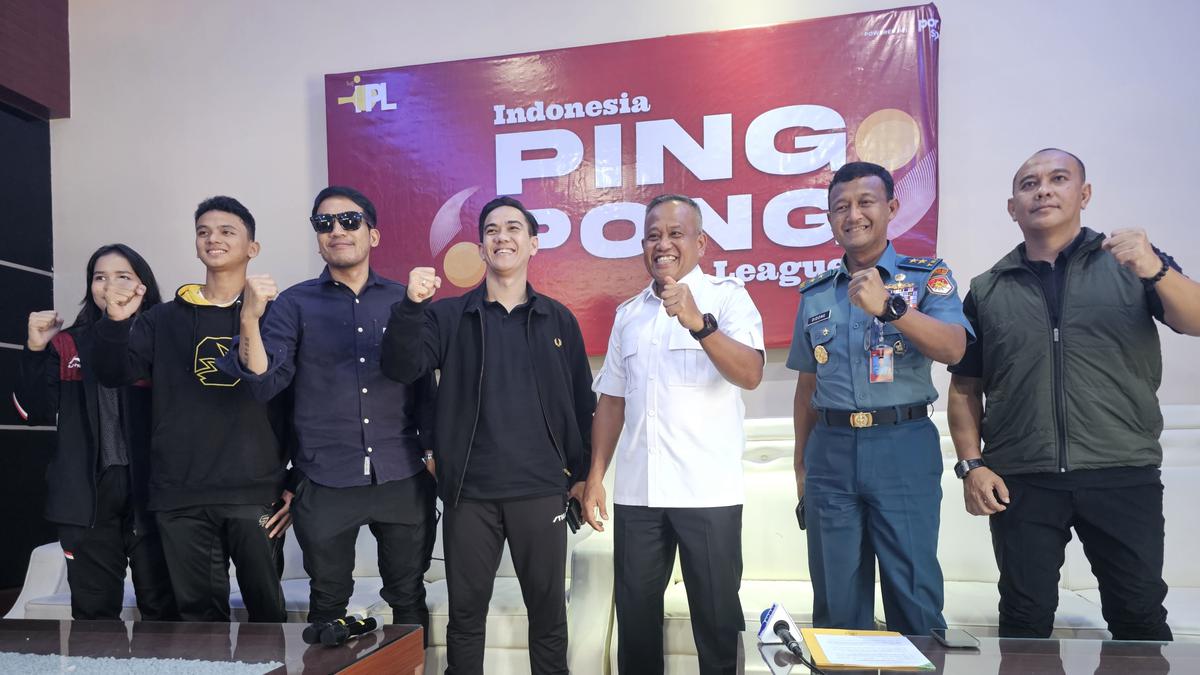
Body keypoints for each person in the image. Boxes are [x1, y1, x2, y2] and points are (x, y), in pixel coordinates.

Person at [947, 148, 1200, 640]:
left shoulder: (1132, 264)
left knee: (1139, 615)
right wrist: (971, 466)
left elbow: (1194, 320)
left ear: (1084, 194)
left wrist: (1155, 268)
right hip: (1022, 477)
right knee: (1023, 620)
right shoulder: (988, 288)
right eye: (1029, 184)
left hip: (1121, 468)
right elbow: (965, 387)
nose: (1043, 190)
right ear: (1012, 208)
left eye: (1058, 179)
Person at [381, 196, 594, 675]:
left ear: (533, 244)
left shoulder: (558, 319)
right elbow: (400, 367)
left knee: (548, 618)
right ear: (480, 248)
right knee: (465, 619)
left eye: (514, 228)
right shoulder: (448, 316)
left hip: (542, 489)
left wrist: (581, 476)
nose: (503, 237)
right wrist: (411, 307)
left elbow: (583, 404)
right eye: (492, 230)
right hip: (469, 493)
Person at [217, 186, 438, 638]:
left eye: (349, 221)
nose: (337, 230)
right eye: (324, 223)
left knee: (408, 597)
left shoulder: (404, 300)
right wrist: (249, 318)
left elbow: (424, 387)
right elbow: (264, 381)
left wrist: (434, 454)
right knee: (328, 605)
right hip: (324, 477)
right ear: (318, 238)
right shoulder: (294, 304)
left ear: (373, 235)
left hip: (401, 472)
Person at [583, 194, 764, 675]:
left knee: (718, 627)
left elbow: (750, 373)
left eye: (675, 233)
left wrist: (699, 324)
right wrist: (596, 476)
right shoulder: (629, 314)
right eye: (653, 236)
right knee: (636, 629)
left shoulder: (728, 297)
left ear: (700, 243)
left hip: (707, 494)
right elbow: (612, 401)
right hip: (638, 495)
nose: (663, 244)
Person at [788, 161, 972, 635]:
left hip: (902, 445)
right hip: (830, 452)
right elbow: (807, 386)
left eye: (865, 202)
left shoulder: (926, 277)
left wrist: (892, 308)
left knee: (914, 597)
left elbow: (954, 348)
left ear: (891, 207)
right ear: (830, 219)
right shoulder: (816, 294)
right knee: (836, 604)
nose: (853, 215)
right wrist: (801, 466)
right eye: (841, 207)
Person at [92, 196, 292, 622]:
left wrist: (297, 481)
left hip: (255, 492)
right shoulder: (161, 319)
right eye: (203, 232)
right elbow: (113, 374)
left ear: (252, 248)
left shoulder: (277, 315)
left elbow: (295, 401)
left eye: (226, 231)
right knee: (200, 625)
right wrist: (116, 322)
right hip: (179, 493)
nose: (212, 238)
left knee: (268, 620)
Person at [14, 244, 177, 621]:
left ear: (142, 286)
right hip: (86, 496)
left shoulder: (163, 339)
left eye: (123, 276)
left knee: (165, 612)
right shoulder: (67, 342)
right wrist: (35, 349)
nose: (109, 285)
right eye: (100, 277)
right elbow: (31, 411)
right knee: (94, 616)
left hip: (154, 492)